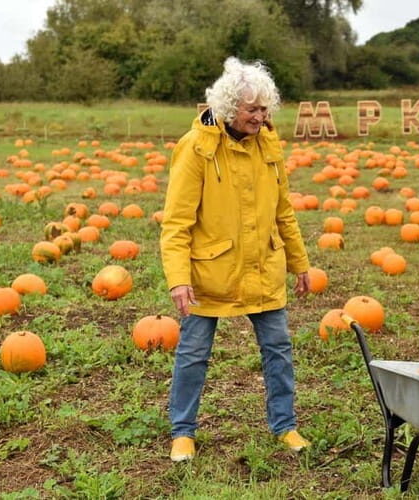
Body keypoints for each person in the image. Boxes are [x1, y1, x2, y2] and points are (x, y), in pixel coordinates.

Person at [160, 56, 312, 462]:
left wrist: (300, 263)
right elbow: (176, 223)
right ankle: (183, 432)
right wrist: (178, 278)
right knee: (193, 353)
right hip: (211, 272)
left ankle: (285, 426)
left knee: (278, 349)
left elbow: (283, 211)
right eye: (252, 110)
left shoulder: (269, 145)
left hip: (263, 266)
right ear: (229, 109)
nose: (261, 118)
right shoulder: (195, 149)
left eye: (265, 109)